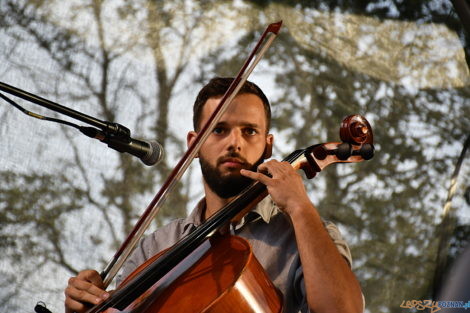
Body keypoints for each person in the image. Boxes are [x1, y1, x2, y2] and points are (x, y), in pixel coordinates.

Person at [64, 77, 364, 313]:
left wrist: (300, 208)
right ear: (194, 144)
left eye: (249, 131)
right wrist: (91, 306)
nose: (235, 143)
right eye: (219, 130)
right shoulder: (155, 247)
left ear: (268, 145)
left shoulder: (307, 234)